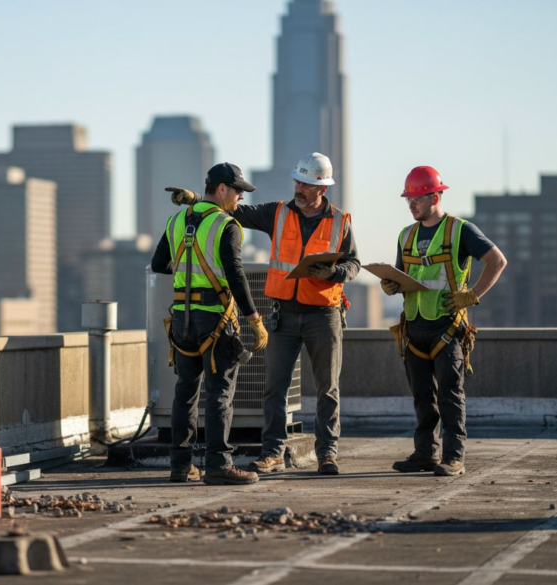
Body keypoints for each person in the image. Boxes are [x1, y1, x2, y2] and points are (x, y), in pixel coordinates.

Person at [168, 152, 359, 475]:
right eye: (297, 181)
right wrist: (198, 199)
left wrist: (335, 273)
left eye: (306, 184)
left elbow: (353, 264)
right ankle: (272, 452)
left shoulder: (341, 221)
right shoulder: (277, 213)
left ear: (321, 189)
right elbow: (232, 209)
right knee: (275, 387)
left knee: (327, 387)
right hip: (283, 314)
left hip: (324, 314)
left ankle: (327, 453)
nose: (298, 188)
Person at [384, 166, 507, 476]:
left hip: (447, 328)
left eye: (416, 199)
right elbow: (405, 276)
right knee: (422, 398)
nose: (410, 204)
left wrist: (473, 294)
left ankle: (453, 457)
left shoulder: (459, 230)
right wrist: (392, 285)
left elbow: (497, 261)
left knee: (450, 395)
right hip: (414, 328)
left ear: (435, 196)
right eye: (408, 199)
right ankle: (425, 453)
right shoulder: (406, 235)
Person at [151, 162, 269, 485]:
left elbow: (158, 263)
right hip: (215, 320)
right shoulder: (225, 225)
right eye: (239, 191)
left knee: (185, 392)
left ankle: (180, 465)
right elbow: (235, 273)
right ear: (222, 190)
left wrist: (186, 262)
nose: (241, 198)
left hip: (181, 321)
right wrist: (255, 320)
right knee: (219, 393)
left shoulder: (177, 220)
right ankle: (218, 464)